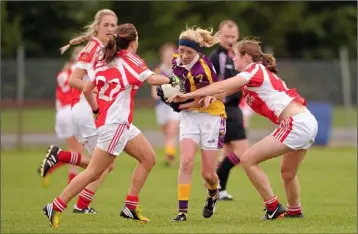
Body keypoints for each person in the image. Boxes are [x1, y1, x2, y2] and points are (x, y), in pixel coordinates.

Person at [42, 23, 180, 228]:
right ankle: (55, 205)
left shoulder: (103, 59)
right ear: (134, 41)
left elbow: (88, 88)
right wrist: (173, 79)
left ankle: (130, 206)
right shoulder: (129, 58)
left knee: (148, 158)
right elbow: (152, 79)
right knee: (94, 172)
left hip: (118, 123)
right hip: (115, 125)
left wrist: (97, 109)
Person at [169, 38, 318, 220]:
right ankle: (294, 211)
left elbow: (222, 85)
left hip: (296, 123)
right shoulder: (250, 77)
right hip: (305, 121)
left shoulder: (254, 69)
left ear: (246, 57)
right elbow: (222, 92)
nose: (233, 60)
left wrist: (187, 94)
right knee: (288, 173)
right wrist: (199, 99)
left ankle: (273, 207)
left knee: (247, 159)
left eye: (235, 56)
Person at [40, 9, 118, 214]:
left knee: (104, 165)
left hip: (84, 109)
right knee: (103, 166)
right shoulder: (94, 48)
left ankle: (80, 203)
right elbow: (74, 79)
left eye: (113, 25)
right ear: (98, 26)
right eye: (106, 25)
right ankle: (62, 160)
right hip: (85, 109)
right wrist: (95, 94)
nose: (110, 29)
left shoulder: (103, 48)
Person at [162, 26, 226, 222]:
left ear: (198, 52)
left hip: (211, 116)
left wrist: (180, 105)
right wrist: (169, 92)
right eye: (182, 50)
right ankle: (182, 212)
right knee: (186, 162)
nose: (184, 55)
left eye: (189, 52)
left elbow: (202, 99)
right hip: (190, 117)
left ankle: (213, 193)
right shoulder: (176, 59)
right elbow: (175, 80)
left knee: (208, 174)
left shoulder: (203, 71)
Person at [209, 20, 249, 201]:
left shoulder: (238, 55)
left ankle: (219, 188)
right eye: (226, 36)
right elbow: (214, 84)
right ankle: (213, 182)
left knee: (226, 152)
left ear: (238, 37)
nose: (230, 40)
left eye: (233, 37)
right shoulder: (217, 57)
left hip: (234, 108)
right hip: (226, 109)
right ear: (219, 36)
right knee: (242, 153)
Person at [151, 43, 180, 166]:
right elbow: (154, 93)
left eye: (171, 54)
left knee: (172, 129)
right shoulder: (158, 71)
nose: (168, 57)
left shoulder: (178, 71)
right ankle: (169, 152)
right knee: (166, 131)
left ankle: (170, 154)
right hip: (161, 105)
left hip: (174, 104)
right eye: (166, 55)